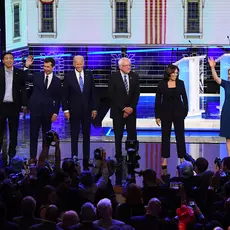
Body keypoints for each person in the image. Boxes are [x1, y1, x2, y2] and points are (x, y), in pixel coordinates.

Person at [62, 55, 98, 170]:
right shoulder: (68, 76)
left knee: (87, 135)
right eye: (77, 63)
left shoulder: (89, 75)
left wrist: (94, 108)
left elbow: (93, 93)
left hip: (87, 111)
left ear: (83, 63)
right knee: (74, 135)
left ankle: (86, 157)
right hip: (73, 111)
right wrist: (66, 110)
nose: (79, 65)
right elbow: (65, 95)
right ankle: (74, 156)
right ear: (73, 64)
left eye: (80, 63)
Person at [24, 56, 62, 163]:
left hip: (48, 112)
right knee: (33, 134)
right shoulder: (37, 75)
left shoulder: (57, 81)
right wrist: (27, 65)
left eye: (48, 67)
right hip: (36, 110)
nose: (46, 68)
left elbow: (58, 98)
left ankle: (44, 156)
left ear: (53, 67)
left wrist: (55, 112)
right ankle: (33, 157)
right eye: (44, 66)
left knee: (47, 136)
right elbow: (25, 77)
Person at [154, 64, 188, 172]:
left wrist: (185, 111)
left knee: (180, 136)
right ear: (169, 73)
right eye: (173, 73)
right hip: (165, 113)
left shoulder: (181, 83)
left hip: (178, 112)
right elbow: (158, 100)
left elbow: (185, 98)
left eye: (177, 73)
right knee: (165, 136)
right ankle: (164, 159)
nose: (175, 75)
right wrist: (157, 115)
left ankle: (182, 158)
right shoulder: (161, 84)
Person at [108, 57, 140, 163]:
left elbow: (136, 94)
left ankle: (133, 154)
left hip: (131, 111)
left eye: (129, 65)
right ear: (120, 67)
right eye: (126, 65)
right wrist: (123, 108)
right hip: (118, 112)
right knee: (118, 135)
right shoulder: (113, 77)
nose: (129, 67)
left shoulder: (134, 76)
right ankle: (118, 155)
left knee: (132, 134)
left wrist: (130, 108)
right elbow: (112, 95)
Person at [0, 52, 27, 166]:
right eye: (6, 58)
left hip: (14, 107)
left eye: (11, 58)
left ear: (13, 60)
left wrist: (24, 105)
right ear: (3, 61)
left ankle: (12, 154)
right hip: (1, 106)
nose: (9, 60)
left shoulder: (19, 73)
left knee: (14, 132)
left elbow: (24, 88)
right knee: (0, 132)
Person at [208, 57, 230, 156]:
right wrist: (212, 67)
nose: (229, 76)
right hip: (227, 112)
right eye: (229, 74)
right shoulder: (226, 84)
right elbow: (216, 78)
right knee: (228, 137)